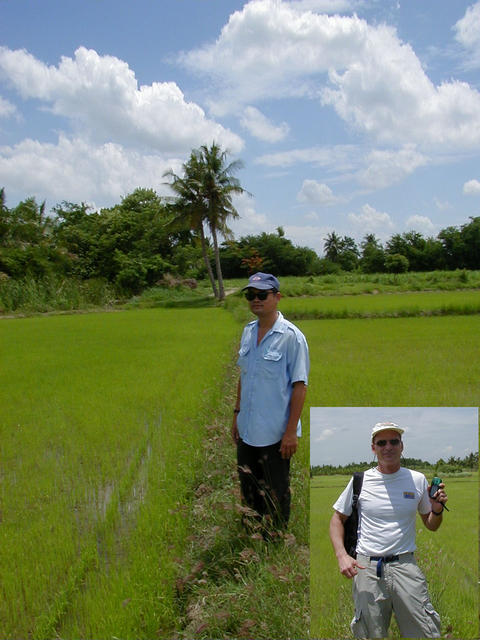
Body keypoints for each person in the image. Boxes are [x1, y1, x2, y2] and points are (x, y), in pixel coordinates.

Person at [329, 422, 448, 639]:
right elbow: (337, 518)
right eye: (381, 443)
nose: (388, 447)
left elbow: (431, 524)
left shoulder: (417, 479)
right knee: (369, 633)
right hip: (367, 569)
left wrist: (437, 511)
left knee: (424, 631)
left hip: (405, 566)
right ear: (373, 448)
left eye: (394, 441)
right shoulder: (360, 480)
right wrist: (342, 556)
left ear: (402, 446)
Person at [231, 272, 309, 534]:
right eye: (250, 295)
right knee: (249, 488)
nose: (256, 300)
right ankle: (250, 538)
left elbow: (300, 386)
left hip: (276, 435)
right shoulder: (248, 332)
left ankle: (275, 542)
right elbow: (244, 376)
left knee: (276, 491)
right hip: (248, 429)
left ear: (277, 297)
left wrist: (290, 432)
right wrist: (236, 415)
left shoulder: (292, 337)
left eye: (262, 295)